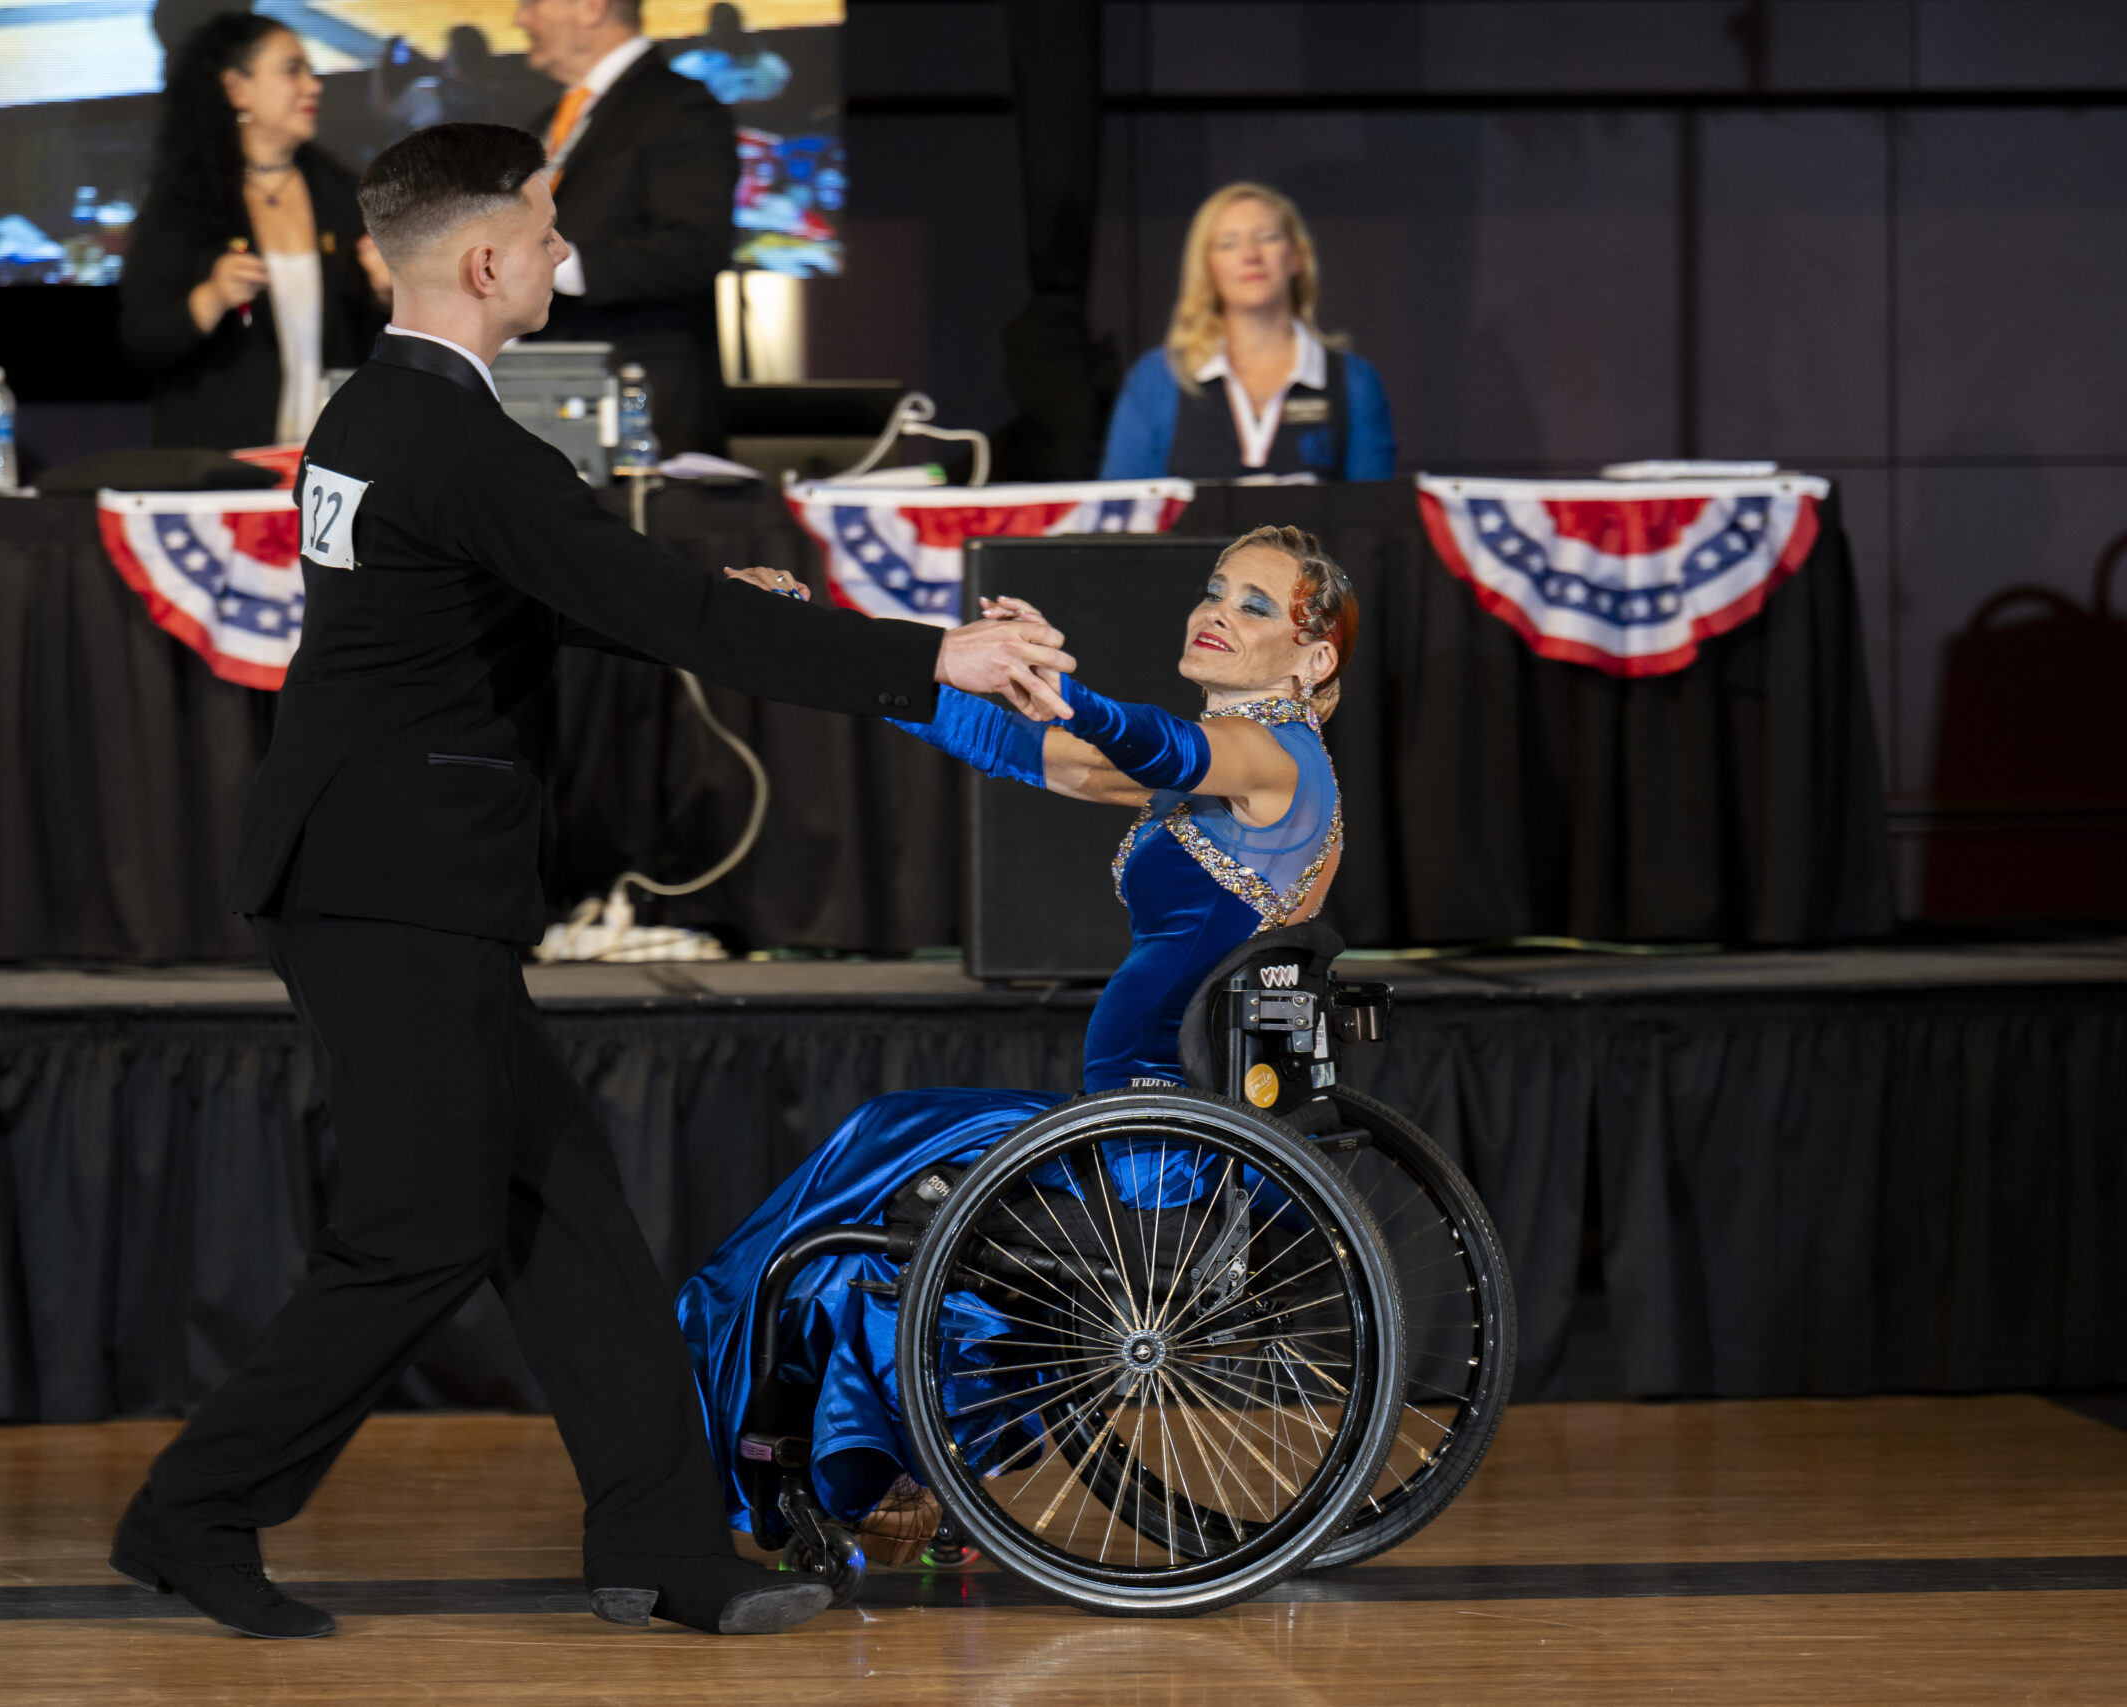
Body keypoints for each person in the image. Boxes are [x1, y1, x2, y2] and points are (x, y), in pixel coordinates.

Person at [107, 121, 1080, 1643]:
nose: (567, 250)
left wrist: (698, 605)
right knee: (419, 1234)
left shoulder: (381, 416)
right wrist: (934, 655)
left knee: (568, 1220)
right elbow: (640, 598)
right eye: (552, 226)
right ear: (487, 260)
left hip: (381, 868)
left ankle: (663, 1542)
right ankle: (192, 1508)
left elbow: (515, 594)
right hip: (390, 881)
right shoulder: (460, 441)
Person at [677, 525, 1357, 1554]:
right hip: (1131, 1131)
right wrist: (828, 639)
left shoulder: (1275, 760)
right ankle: (847, 1451)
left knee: (883, 1157)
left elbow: (1157, 741)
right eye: (1213, 591)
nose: (1215, 613)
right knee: (881, 1151)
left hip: (1163, 1158)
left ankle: (869, 1464)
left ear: (1312, 662)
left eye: (1254, 606)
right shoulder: (1216, 777)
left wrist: (1061, 688)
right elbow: (1000, 741)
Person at [121, 12, 392, 449]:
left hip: (332, 469)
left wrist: (386, 297)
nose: (313, 86)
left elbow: (371, 344)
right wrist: (207, 299)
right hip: (221, 475)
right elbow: (139, 344)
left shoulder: (343, 195)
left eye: (310, 71)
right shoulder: (184, 203)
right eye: (292, 71)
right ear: (236, 89)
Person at [515, 0, 736, 456]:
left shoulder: (680, 106)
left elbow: (694, 250)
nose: (521, 19)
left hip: (646, 417)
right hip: (554, 407)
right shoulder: (549, 119)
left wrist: (543, 263)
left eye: (532, 3)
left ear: (591, 7)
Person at [1101, 184, 1395, 483]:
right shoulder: (1157, 379)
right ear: (1207, 267)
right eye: (1228, 244)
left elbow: (1376, 519)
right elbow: (1122, 518)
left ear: (1297, 257)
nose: (1250, 255)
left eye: (1267, 238)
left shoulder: (1354, 382)